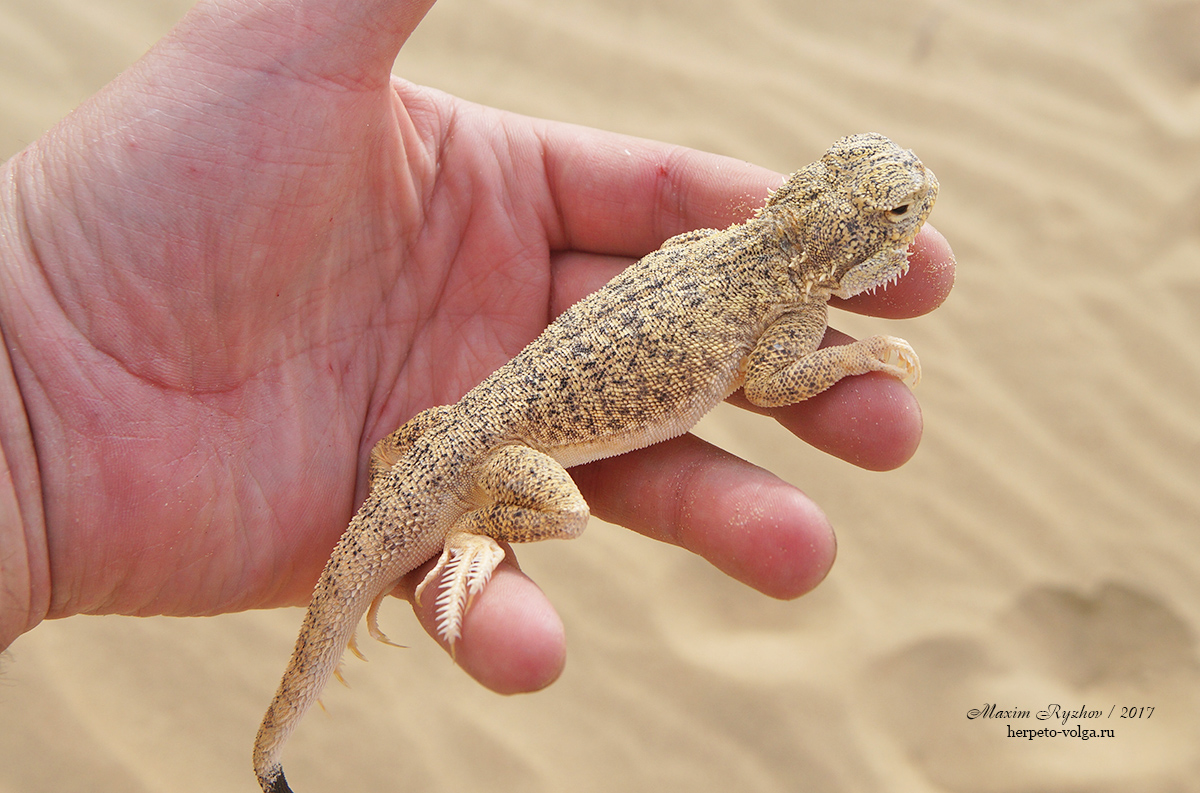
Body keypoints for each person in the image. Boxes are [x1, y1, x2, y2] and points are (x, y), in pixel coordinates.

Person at [0, 0, 954, 692]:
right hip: (499, 454)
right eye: (904, 213)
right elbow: (776, 379)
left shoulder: (719, 247)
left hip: (450, 428)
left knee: (443, 484)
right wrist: (855, 359)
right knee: (568, 514)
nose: (919, 211)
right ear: (837, 222)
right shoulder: (769, 302)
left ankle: (432, 508)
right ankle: (470, 531)